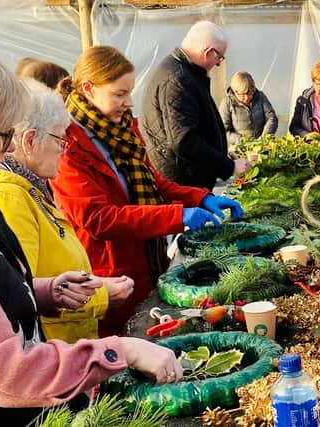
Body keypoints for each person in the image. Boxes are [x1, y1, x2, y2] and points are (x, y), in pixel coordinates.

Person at [0, 43, 182, 426]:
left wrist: (43, 291)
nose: (10, 146)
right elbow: (1, 369)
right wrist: (120, 352)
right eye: (0, 132)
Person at [53, 46, 244, 337]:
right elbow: (98, 218)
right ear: (89, 89)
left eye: (130, 93)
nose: (129, 102)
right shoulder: (68, 147)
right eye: (119, 94)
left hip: (145, 262)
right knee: (125, 349)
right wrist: (177, 216)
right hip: (110, 274)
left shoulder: (122, 131)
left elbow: (154, 184)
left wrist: (199, 197)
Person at [0, 79, 134, 343]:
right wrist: (100, 294)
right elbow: (21, 291)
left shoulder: (31, 187)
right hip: (53, 350)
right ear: (29, 140)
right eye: (60, 140)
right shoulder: (8, 196)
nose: (64, 151)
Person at [141, 20, 251, 191]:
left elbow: (196, 124)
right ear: (208, 52)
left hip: (187, 177)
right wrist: (229, 167)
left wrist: (220, 154)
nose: (219, 64)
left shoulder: (185, 72)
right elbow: (184, 141)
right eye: (219, 57)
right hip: (182, 181)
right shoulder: (178, 80)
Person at [219, 71, 278, 147]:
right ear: (235, 91)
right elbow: (223, 131)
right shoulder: (227, 103)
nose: (247, 97)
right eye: (243, 94)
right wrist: (241, 140)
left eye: (250, 93)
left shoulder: (260, 97)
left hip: (262, 146)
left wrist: (264, 139)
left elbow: (272, 118)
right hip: (239, 149)